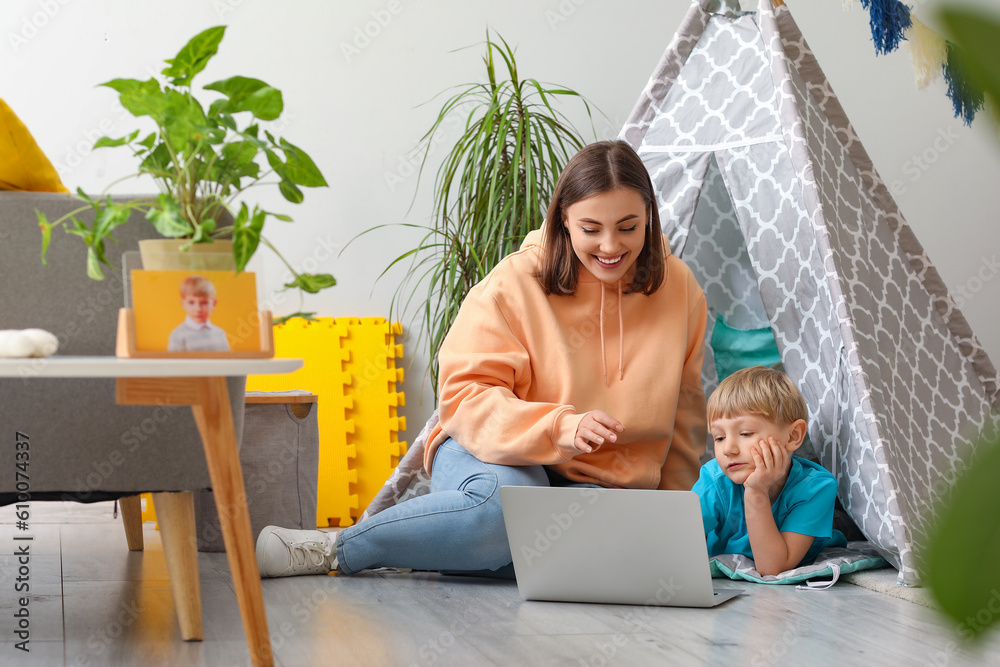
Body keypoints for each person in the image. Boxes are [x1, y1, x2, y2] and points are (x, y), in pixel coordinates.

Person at [256, 140, 708, 578]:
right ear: (564, 221)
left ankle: (453, 546)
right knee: (506, 512)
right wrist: (559, 426)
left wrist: (672, 520)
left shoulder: (680, 289)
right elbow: (464, 399)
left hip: (599, 484)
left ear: (649, 216)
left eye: (628, 227)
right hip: (495, 453)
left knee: (580, 549)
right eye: (591, 229)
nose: (610, 247)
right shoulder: (515, 281)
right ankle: (334, 548)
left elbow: (686, 416)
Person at [693, 366, 847, 576]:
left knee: (844, 521)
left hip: (827, 524)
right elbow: (675, 545)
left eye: (745, 433)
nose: (728, 449)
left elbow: (772, 568)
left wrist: (756, 491)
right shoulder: (713, 479)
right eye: (719, 437)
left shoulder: (818, 486)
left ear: (792, 436)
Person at [166, 275, 230, 352]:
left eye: (204, 303)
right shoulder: (178, 335)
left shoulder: (219, 333)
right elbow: (174, 363)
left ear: (213, 304)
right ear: (183, 304)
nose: (198, 309)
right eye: (191, 302)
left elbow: (227, 362)